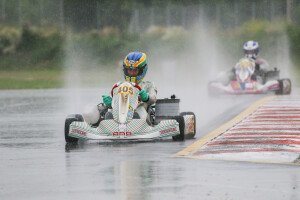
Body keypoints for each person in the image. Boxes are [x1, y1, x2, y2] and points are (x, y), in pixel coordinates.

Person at [102, 52, 157, 124]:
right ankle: (110, 125)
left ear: (142, 71)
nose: (131, 73)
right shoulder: (118, 85)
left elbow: (153, 98)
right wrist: (109, 102)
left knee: (139, 112)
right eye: (129, 70)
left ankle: (135, 123)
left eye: (135, 70)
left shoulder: (148, 85)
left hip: (139, 110)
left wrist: (146, 97)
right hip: (119, 111)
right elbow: (111, 100)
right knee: (109, 113)